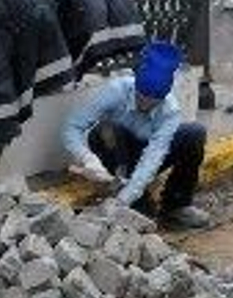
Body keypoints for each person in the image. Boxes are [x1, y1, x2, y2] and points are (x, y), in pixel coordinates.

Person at [63, 41, 211, 229]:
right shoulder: (116, 90)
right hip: (111, 152)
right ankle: (128, 194)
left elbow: (153, 157)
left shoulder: (170, 111)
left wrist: (123, 201)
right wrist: (87, 158)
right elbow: (72, 127)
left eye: (153, 102)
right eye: (141, 98)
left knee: (194, 133)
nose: (146, 105)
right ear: (137, 86)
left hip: (143, 154)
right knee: (109, 128)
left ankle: (176, 205)